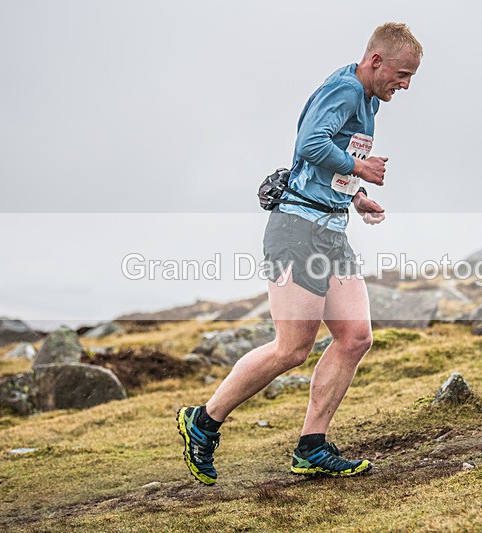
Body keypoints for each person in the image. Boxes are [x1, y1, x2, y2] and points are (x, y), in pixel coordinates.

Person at [177, 22, 422, 485]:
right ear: (376, 61)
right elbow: (309, 143)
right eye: (403, 74)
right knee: (292, 348)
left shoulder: (368, 99)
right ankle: (203, 421)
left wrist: (354, 195)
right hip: (297, 230)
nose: (405, 85)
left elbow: (323, 160)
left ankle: (312, 447)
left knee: (355, 337)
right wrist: (359, 168)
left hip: (330, 230)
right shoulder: (345, 90)